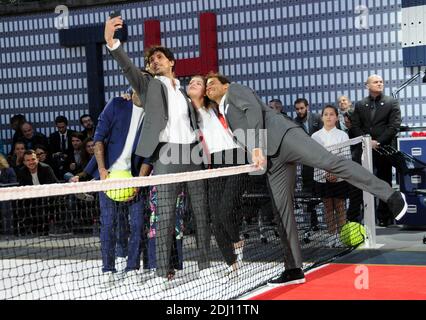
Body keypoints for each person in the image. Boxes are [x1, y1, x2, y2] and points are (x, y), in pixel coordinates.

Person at [204, 72, 408, 286]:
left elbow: (253, 110)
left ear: (225, 85)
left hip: (285, 137)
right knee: (281, 210)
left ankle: (392, 196)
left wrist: (255, 146)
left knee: (332, 163)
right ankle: (293, 269)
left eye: (212, 83)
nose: (209, 87)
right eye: (206, 86)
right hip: (272, 159)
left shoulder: (235, 89)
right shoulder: (223, 111)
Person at [104, 16, 211, 288]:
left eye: (160, 57)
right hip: (165, 155)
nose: (155, 61)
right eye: (152, 59)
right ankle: (162, 274)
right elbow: (128, 67)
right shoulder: (149, 85)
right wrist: (111, 43)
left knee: (200, 214)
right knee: (163, 218)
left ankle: (205, 268)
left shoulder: (185, 93)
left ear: (172, 62)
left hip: (192, 155)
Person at [84, 90, 151, 287]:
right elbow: (99, 138)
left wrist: (140, 180)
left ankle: (132, 268)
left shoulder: (152, 115)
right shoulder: (116, 105)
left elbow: (148, 154)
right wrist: (102, 170)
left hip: (135, 180)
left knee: (138, 226)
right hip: (109, 178)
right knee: (108, 225)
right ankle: (108, 269)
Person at [188, 75, 247, 279]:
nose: (193, 85)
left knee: (225, 211)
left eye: (198, 83)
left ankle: (237, 239)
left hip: (237, 158)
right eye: (191, 83)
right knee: (214, 218)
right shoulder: (186, 111)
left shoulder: (216, 107)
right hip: (213, 164)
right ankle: (231, 264)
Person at [351, 75, 402, 227]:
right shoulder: (360, 105)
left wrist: (378, 142)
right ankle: (359, 217)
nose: (380, 83)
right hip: (365, 149)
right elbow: (355, 126)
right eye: (376, 82)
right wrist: (367, 141)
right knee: (361, 182)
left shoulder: (391, 102)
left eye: (381, 81)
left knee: (384, 182)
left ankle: (383, 217)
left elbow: (394, 126)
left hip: (384, 149)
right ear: (367, 85)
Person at [311, 105, 350, 243]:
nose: (328, 117)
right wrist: (325, 173)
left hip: (339, 178)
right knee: (328, 208)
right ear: (322, 117)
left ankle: (343, 237)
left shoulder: (343, 135)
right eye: (326, 114)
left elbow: (345, 158)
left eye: (331, 114)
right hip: (321, 177)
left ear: (337, 118)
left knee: (340, 207)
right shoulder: (315, 136)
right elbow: (314, 158)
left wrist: (336, 174)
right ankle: (331, 237)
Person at [293, 98, 323, 231]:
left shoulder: (317, 118)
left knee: (323, 192)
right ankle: (313, 223)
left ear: (307, 107)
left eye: (302, 108)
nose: (300, 111)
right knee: (309, 194)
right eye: (297, 109)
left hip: (321, 162)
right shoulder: (294, 123)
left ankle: (330, 223)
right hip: (306, 164)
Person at [16, 150, 59, 235]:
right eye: (28, 160)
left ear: (37, 160)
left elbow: (50, 186)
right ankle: (24, 228)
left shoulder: (46, 168)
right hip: (32, 198)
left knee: (42, 204)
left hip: (50, 196)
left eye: (33, 159)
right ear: (24, 162)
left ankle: (47, 228)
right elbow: (22, 188)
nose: (31, 162)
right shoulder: (22, 172)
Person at [0, 153, 17, 235]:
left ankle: (8, 231)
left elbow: (13, 184)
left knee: (5, 203)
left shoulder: (9, 170)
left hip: (7, 197)